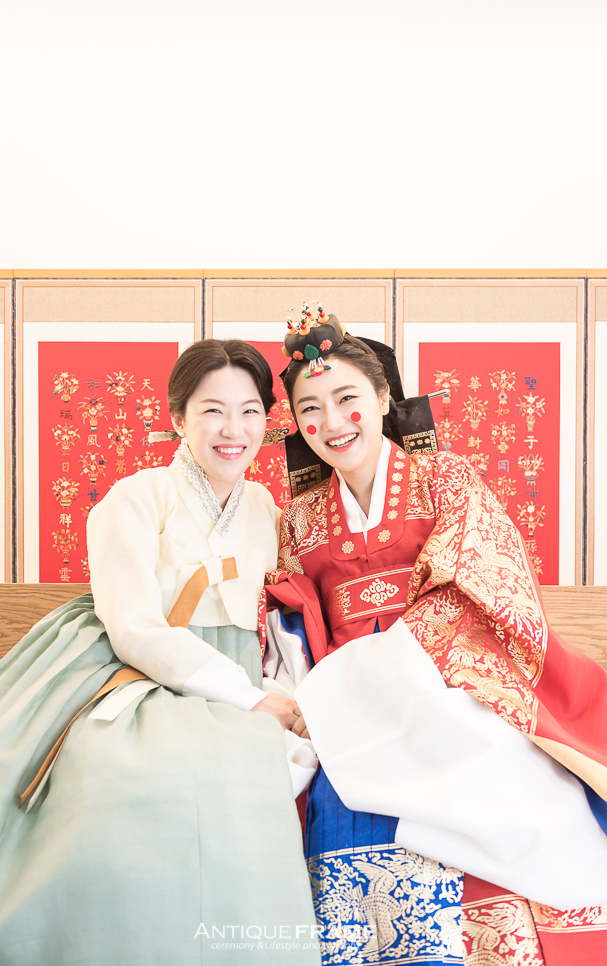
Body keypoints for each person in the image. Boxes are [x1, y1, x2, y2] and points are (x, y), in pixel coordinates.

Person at [263, 305, 607, 965]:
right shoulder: (298, 520)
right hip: (346, 708)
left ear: (382, 398)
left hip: (445, 685)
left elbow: (479, 587)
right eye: (310, 409)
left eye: (347, 399)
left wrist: (377, 675)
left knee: (492, 775)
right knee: (329, 791)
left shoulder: (445, 480)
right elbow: (291, 620)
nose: (332, 422)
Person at [0, 339, 320, 966]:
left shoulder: (266, 507)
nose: (233, 430)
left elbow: (278, 614)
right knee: (132, 780)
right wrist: (248, 698)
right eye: (212, 411)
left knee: (258, 766)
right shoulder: (134, 498)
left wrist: (284, 693)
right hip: (132, 672)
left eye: (249, 412)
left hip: (239, 678)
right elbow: (133, 627)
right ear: (178, 417)